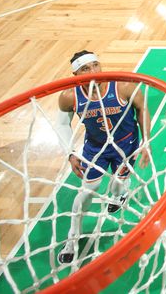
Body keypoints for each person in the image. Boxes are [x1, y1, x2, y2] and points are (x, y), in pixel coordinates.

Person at [54, 51, 151, 264]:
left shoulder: (123, 86)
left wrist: (146, 142)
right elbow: (61, 124)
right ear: (75, 74)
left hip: (126, 144)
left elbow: (142, 107)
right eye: (85, 69)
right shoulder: (70, 96)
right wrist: (70, 153)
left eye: (96, 65)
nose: (93, 71)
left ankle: (119, 195)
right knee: (87, 192)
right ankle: (72, 240)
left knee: (118, 185)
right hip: (95, 148)